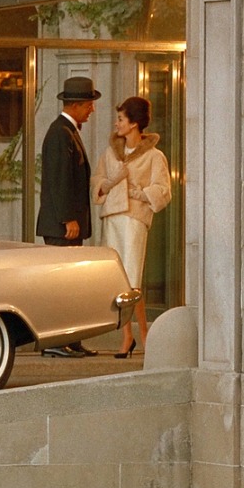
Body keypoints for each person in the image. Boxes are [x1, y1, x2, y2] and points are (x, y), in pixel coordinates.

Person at [92, 96, 172, 358]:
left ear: (134, 123)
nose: (117, 124)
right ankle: (128, 336)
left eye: (121, 119)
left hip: (134, 221)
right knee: (117, 280)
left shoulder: (154, 156)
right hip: (112, 218)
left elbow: (163, 190)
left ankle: (144, 335)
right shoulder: (110, 153)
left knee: (132, 279)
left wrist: (138, 193)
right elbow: (98, 182)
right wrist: (110, 182)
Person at [37, 75, 101, 357]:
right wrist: (67, 219)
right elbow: (58, 180)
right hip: (63, 227)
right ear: (76, 104)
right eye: (89, 104)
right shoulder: (59, 133)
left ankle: (71, 339)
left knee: (71, 286)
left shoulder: (67, 131)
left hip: (69, 225)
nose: (92, 109)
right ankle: (54, 342)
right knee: (59, 286)